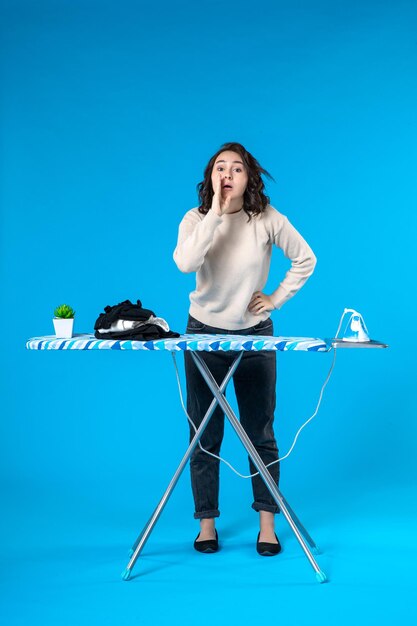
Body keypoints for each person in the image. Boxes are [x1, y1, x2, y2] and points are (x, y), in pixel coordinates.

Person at [173, 142, 317, 555]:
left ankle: (267, 524)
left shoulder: (266, 219)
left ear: (249, 178)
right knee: (204, 432)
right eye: (221, 168)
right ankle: (206, 524)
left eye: (237, 169)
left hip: (255, 334)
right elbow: (185, 263)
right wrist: (215, 214)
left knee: (260, 431)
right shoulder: (195, 219)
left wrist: (275, 298)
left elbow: (306, 259)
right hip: (202, 333)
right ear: (211, 177)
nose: (229, 175)